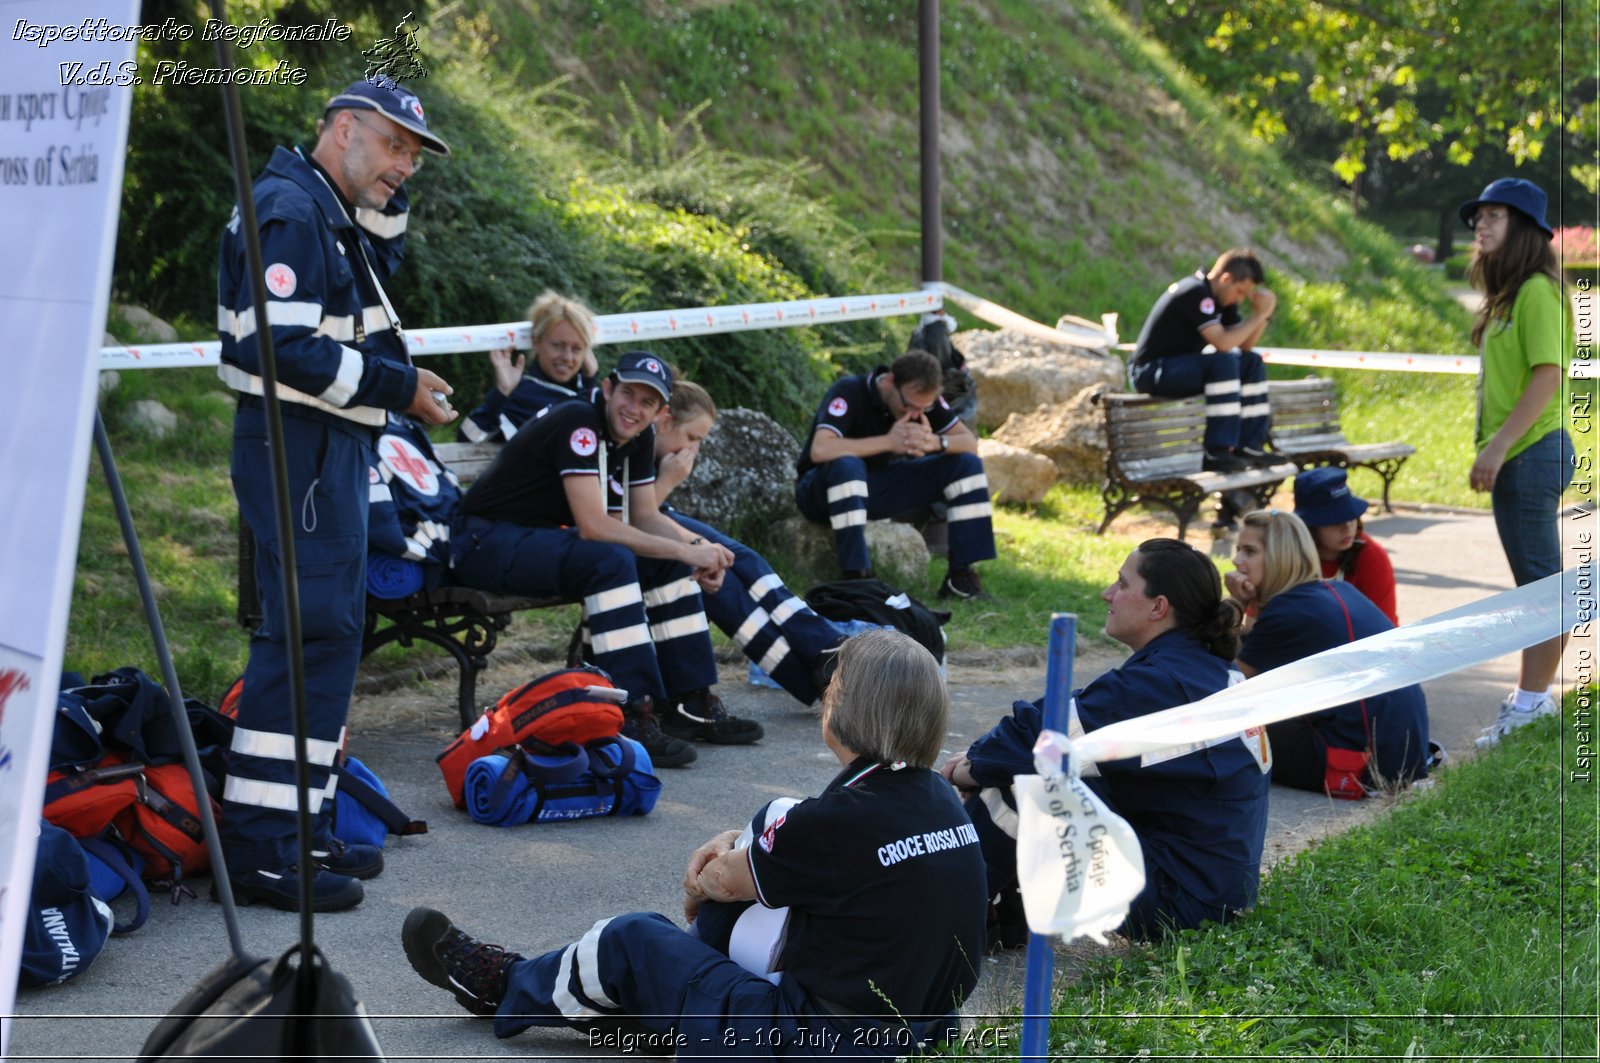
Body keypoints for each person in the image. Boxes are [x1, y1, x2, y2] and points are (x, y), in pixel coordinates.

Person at [401, 628, 988, 1057]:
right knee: (734, 919)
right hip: (926, 1035)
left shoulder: (835, 820)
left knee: (629, 939)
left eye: (831, 686)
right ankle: (647, 1018)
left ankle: (506, 983)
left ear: (844, 708)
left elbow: (720, 882)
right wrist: (745, 844)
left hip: (817, 1042)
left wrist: (715, 860)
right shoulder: (940, 799)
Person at [215, 78, 455, 911]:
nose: (406, 168)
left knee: (329, 637)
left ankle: (301, 823)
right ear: (342, 128)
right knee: (304, 640)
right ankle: (260, 848)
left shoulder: (328, 208)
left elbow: (371, 289)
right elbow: (280, 348)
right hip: (300, 447)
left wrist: (383, 193)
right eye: (394, 146)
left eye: (415, 156)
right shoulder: (290, 207)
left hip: (327, 447)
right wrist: (401, 388)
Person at [942, 539, 1269, 944]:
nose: (1107, 594)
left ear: (1158, 607)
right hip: (1214, 894)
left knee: (1024, 786)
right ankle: (1003, 913)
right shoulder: (1208, 668)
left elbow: (1039, 734)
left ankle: (936, 916)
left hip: (1183, 905)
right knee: (1050, 773)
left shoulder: (1158, 683)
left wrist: (966, 770)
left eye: (1121, 583)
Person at [452, 352, 762, 768]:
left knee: (663, 563)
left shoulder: (640, 437)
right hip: (482, 541)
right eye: (628, 394)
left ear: (660, 412)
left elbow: (644, 516)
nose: (634, 409)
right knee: (610, 559)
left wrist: (698, 551)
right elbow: (595, 527)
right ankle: (631, 712)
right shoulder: (578, 420)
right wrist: (688, 549)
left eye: (647, 402)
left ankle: (688, 701)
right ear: (609, 389)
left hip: (533, 541)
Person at [1458, 178, 1575, 746]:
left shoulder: (1537, 292)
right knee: (1536, 589)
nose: (1481, 225)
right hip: (1520, 457)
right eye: (1478, 216)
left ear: (1526, 227)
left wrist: (1500, 445)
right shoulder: (1509, 294)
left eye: (1495, 215)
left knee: (1540, 593)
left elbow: (1548, 376)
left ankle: (1531, 706)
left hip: (1532, 455)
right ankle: (1533, 699)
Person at [653, 381, 846, 709]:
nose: (694, 450)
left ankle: (825, 650)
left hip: (661, 515)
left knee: (742, 558)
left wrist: (698, 541)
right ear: (665, 421)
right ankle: (814, 674)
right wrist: (668, 483)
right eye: (691, 438)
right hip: (640, 525)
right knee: (724, 587)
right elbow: (634, 516)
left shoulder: (654, 444)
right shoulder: (638, 439)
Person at [1227, 510, 1433, 794]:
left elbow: (1224, 688)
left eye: (1249, 551)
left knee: (1232, 730)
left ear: (1279, 557)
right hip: (1406, 755)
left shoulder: (1288, 612)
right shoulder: (1335, 590)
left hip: (1365, 767)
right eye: (1238, 550)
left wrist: (1236, 602)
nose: (1236, 561)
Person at [795, 350, 997, 600]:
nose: (913, 414)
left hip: (873, 489)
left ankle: (960, 578)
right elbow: (821, 448)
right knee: (849, 465)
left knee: (966, 464)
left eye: (923, 408)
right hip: (820, 490)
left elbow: (969, 442)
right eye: (908, 406)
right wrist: (888, 442)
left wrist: (934, 442)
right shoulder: (849, 391)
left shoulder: (921, 402)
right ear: (890, 381)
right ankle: (857, 578)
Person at [1129, 249, 1278, 472]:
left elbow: (1244, 346)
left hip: (1180, 367)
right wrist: (1257, 316)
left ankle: (1249, 446)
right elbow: (1223, 343)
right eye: (1240, 292)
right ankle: (1217, 452)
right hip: (1150, 371)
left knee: (1251, 362)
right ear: (1226, 278)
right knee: (1224, 361)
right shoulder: (1194, 292)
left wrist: (1263, 315)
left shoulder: (1222, 300)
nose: (1240, 299)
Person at [458, 290, 600, 443]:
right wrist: (501, 393)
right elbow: (466, 441)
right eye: (558, 345)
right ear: (536, 342)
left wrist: (590, 380)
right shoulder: (523, 394)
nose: (567, 357)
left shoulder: (583, 392)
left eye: (577, 349)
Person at [1292, 466, 1398, 625]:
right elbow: (1256, 621)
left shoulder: (1371, 556)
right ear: (1309, 525)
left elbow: (1384, 627)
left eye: (1351, 515)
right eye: (1336, 519)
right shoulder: (1288, 555)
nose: (1348, 525)